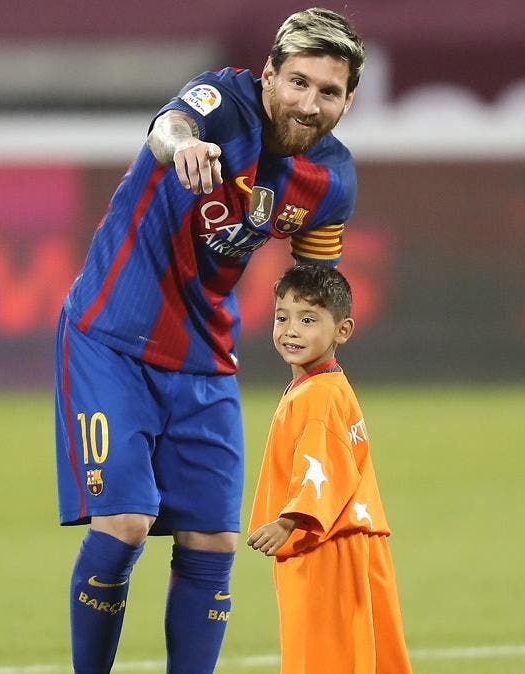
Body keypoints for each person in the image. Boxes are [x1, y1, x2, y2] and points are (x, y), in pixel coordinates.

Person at [54, 7, 365, 673]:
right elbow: (170, 125)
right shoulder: (221, 101)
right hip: (113, 332)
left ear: (349, 98)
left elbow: (315, 286)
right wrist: (185, 147)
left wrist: (319, 384)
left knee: (215, 541)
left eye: (329, 91)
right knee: (127, 524)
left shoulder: (332, 183)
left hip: (206, 354)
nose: (310, 104)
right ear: (269, 77)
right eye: (299, 83)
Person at [247, 264, 411, 673]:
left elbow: (321, 468)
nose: (291, 330)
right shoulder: (328, 386)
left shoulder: (317, 397)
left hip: (327, 548)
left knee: (325, 661)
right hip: (351, 545)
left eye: (308, 320)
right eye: (282, 317)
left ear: (342, 330)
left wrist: (287, 521)